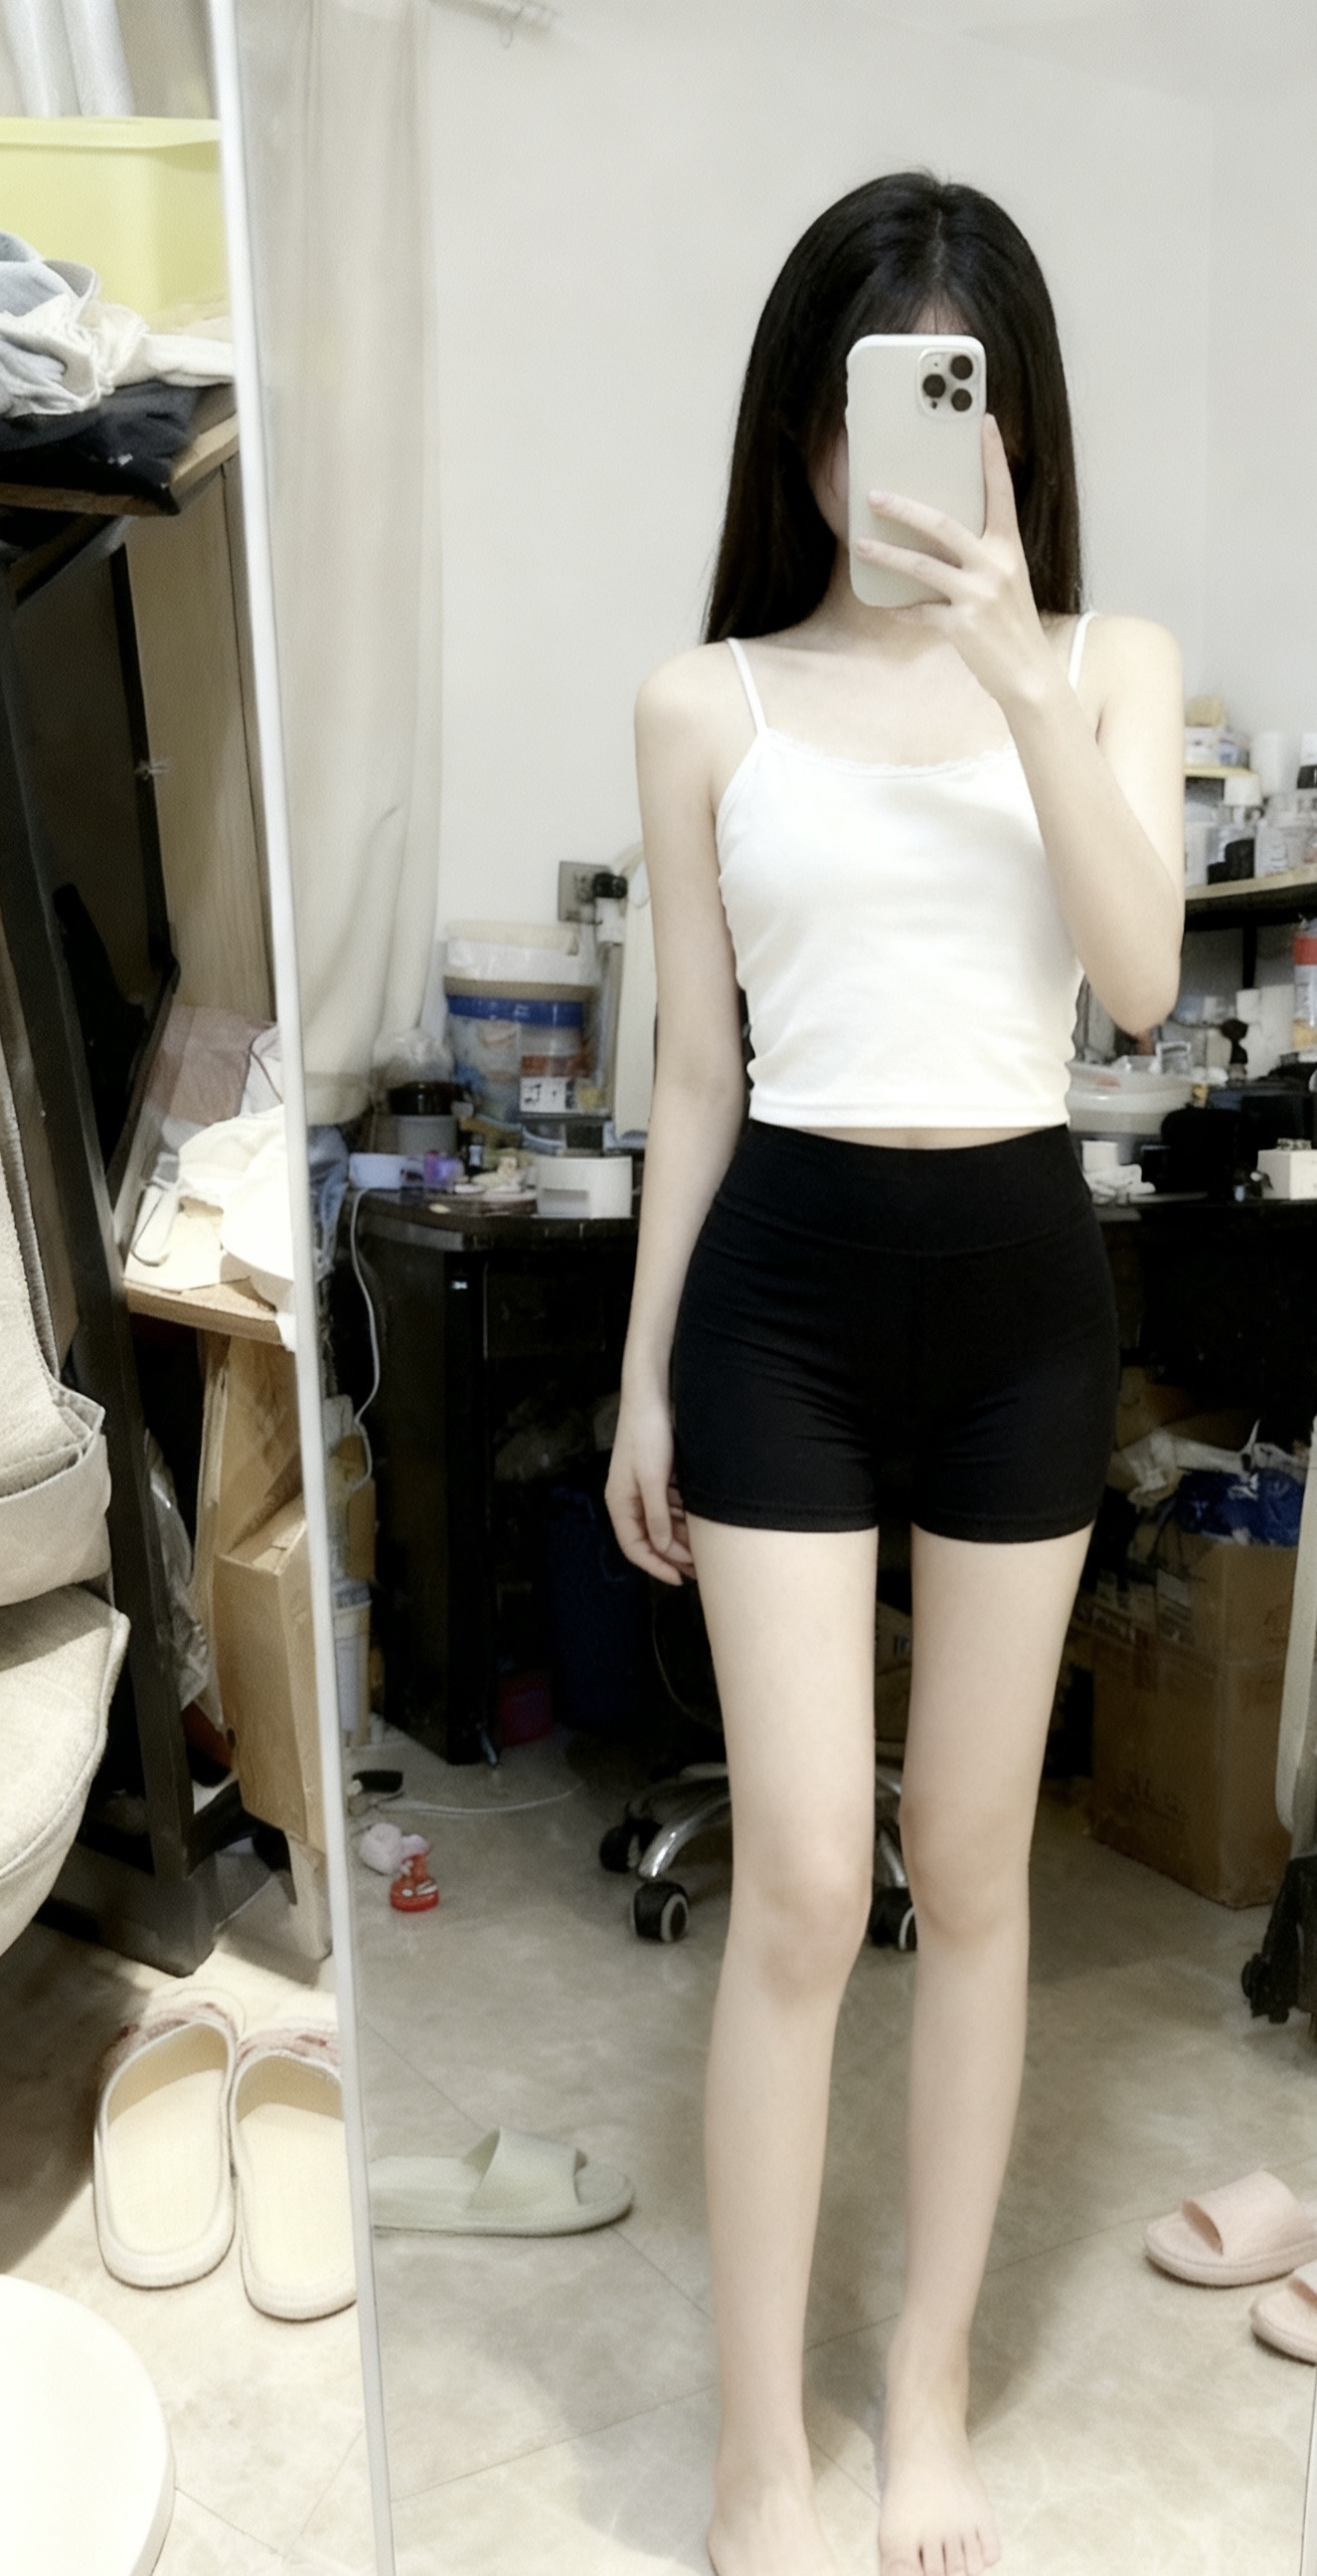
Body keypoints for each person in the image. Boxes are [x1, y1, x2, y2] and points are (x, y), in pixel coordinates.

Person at [605, 172, 1183, 2576]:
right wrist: (645, 1380)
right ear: (805, 428)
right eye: (864, 410)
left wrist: (1025, 673)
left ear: (1014, 430)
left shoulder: (1114, 666)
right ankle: (764, 2445)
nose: (900, 469)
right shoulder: (707, 701)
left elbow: (1138, 984)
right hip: (785, 1299)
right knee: (806, 1883)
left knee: (971, 1864)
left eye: (955, 406)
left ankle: (925, 2385)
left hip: (1022, 1294)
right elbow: (694, 1078)